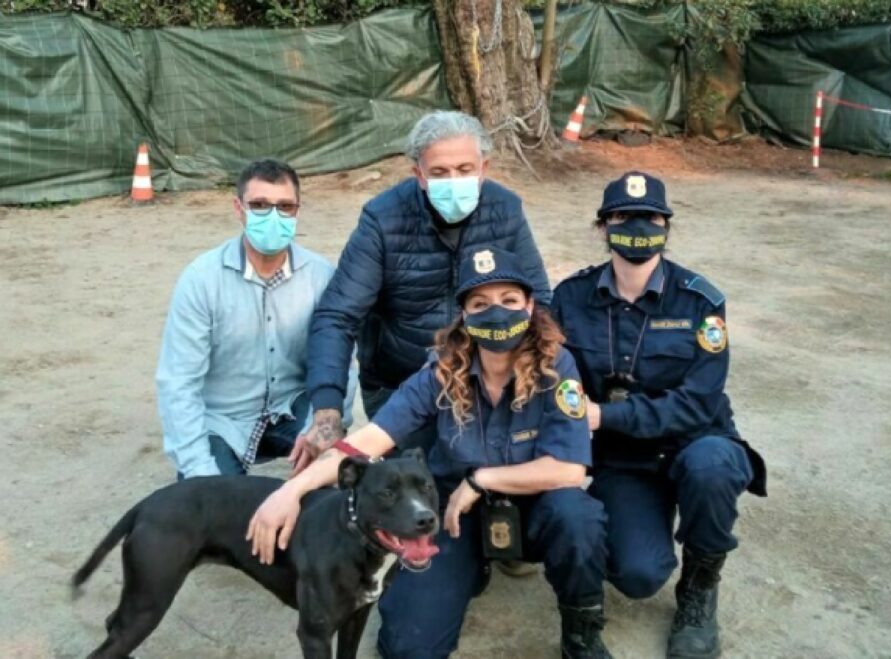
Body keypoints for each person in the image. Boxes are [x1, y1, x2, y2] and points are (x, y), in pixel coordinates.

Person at [248, 247, 610, 659]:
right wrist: (292, 490)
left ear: (530, 306)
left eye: (509, 301)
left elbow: (568, 469)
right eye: (480, 303)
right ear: (464, 316)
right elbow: (369, 440)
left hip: (535, 508)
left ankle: (582, 632)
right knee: (407, 647)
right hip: (454, 516)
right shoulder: (443, 367)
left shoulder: (556, 365)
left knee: (577, 515)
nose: (496, 312)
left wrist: (482, 480)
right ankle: (470, 567)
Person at [551, 171, 767, 659]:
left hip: (695, 442)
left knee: (712, 468)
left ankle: (699, 589)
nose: (637, 227)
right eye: (623, 217)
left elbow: (698, 403)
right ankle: (651, 528)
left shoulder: (701, 302)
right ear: (603, 226)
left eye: (649, 217)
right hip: (626, 462)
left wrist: (604, 417)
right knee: (638, 575)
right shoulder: (569, 298)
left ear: (666, 226)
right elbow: (560, 382)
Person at [290, 110, 551, 474]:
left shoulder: (505, 210)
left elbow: (540, 302)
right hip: (400, 385)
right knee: (415, 497)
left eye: (464, 169)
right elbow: (337, 316)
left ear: (484, 167)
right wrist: (327, 412)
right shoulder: (383, 218)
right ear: (419, 175)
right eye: (440, 172)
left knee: (503, 484)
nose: (454, 180)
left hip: (487, 380)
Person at [156, 159, 354, 479]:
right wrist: (200, 472)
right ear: (238, 208)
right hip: (223, 419)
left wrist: (324, 431)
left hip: (296, 408)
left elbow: (343, 363)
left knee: (335, 493)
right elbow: (179, 382)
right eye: (259, 205)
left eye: (285, 206)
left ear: (298, 210)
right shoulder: (201, 280)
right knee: (215, 513)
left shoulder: (321, 277)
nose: (273, 216)